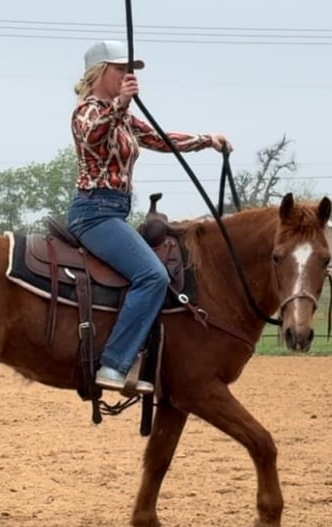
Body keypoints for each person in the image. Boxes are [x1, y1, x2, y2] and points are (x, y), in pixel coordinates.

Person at [67, 39, 232, 395]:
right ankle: (114, 364)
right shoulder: (87, 111)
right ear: (99, 72)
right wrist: (121, 104)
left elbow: (159, 139)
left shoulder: (123, 116)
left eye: (131, 70)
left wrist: (206, 140)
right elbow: (95, 136)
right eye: (120, 69)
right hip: (94, 213)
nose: (128, 75)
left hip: (115, 212)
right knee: (152, 275)